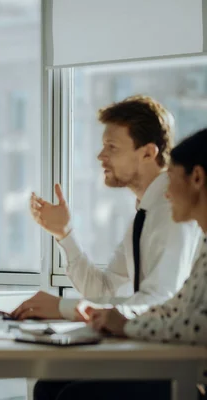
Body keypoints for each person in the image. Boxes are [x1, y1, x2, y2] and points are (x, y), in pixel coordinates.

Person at [14, 95, 201, 323]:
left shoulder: (171, 212)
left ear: (147, 153)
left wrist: (65, 307)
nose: (100, 156)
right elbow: (104, 291)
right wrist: (64, 234)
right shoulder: (145, 213)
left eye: (111, 147)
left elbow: (157, 301)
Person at [56, 128, 207, 400]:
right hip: (184, 372)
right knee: (53, 385)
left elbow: (197, 326)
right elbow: (174, 306)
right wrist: (116, 318)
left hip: (194, 383)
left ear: (196, 178)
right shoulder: (201, 246)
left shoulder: (167, 220)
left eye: (171, 179)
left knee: (74, 395)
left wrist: (126, 325)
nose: (168, 193)